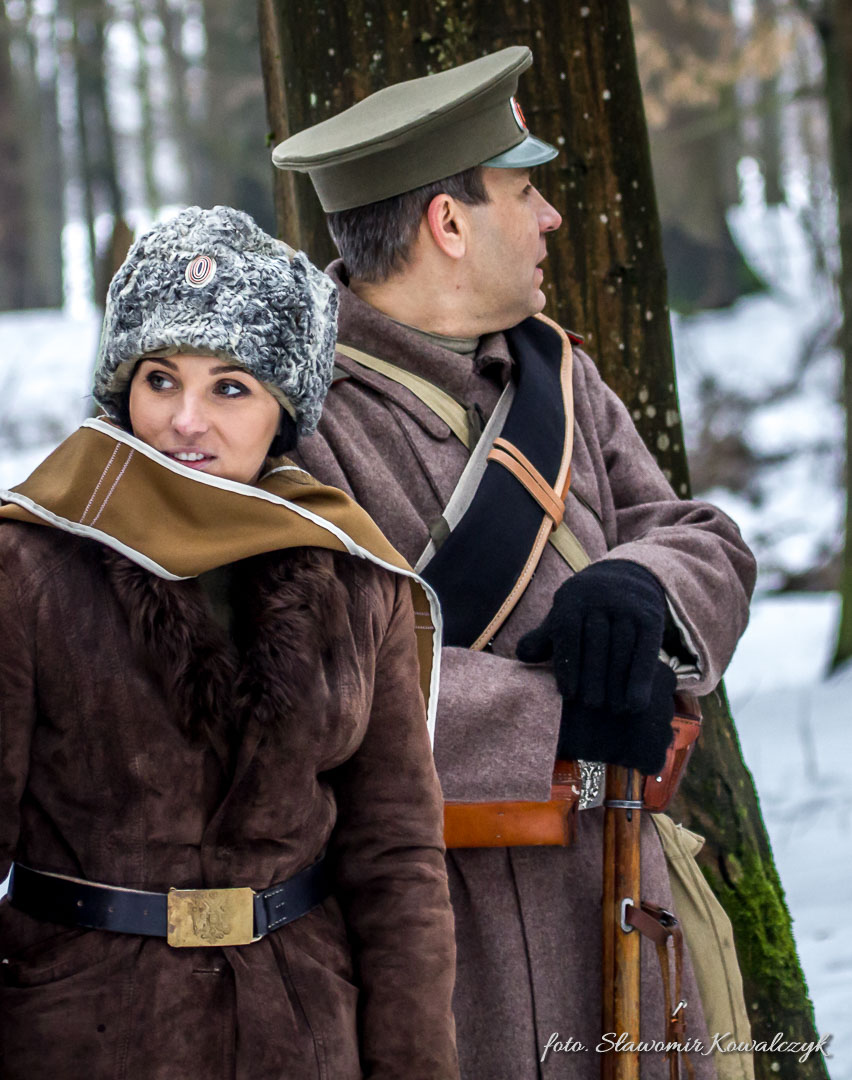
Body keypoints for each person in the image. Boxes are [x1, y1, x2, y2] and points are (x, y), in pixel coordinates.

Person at [271, 46, 756, 1080]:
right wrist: (558, 715)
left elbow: (703, 538)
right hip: (433, 948)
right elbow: (312, 674)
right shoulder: (292, 424)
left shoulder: (559, 375)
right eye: (526, 191)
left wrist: (642, 587)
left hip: (617, 900)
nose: (552, 217)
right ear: (450, 224)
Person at [0, 206, 458, 1079]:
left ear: (283, 411)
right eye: (161, 379)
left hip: (303, 1034)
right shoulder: (22, 567)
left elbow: (397, 861)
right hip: (80, 1037)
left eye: (230, 387)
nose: (186, 420)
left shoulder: (356, 575)